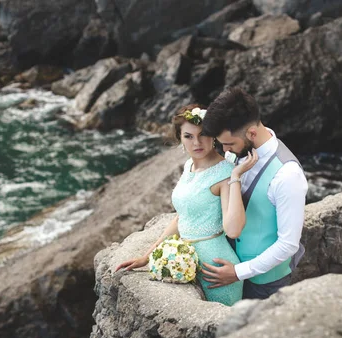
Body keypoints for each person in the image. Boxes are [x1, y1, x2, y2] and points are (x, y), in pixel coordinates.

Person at [115, 104, 257, 306]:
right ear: (180, 139)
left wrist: (235, 177)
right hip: (183, 261)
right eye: (188, 136)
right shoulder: (189, 166)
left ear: (213, 136)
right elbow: (182, 217)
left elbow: (233, 230)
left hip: (215, 269)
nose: (197, 143)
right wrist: (146, 257)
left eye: (203, 135)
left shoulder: (225, 172)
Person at [199, 87, 308, 300]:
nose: (226, 151)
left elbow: (288, 244)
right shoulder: (236, 154)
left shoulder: (287, 175)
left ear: (251, 133)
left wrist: (238, 272)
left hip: (265, 284)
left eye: (229, 144)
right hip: (228, 270)